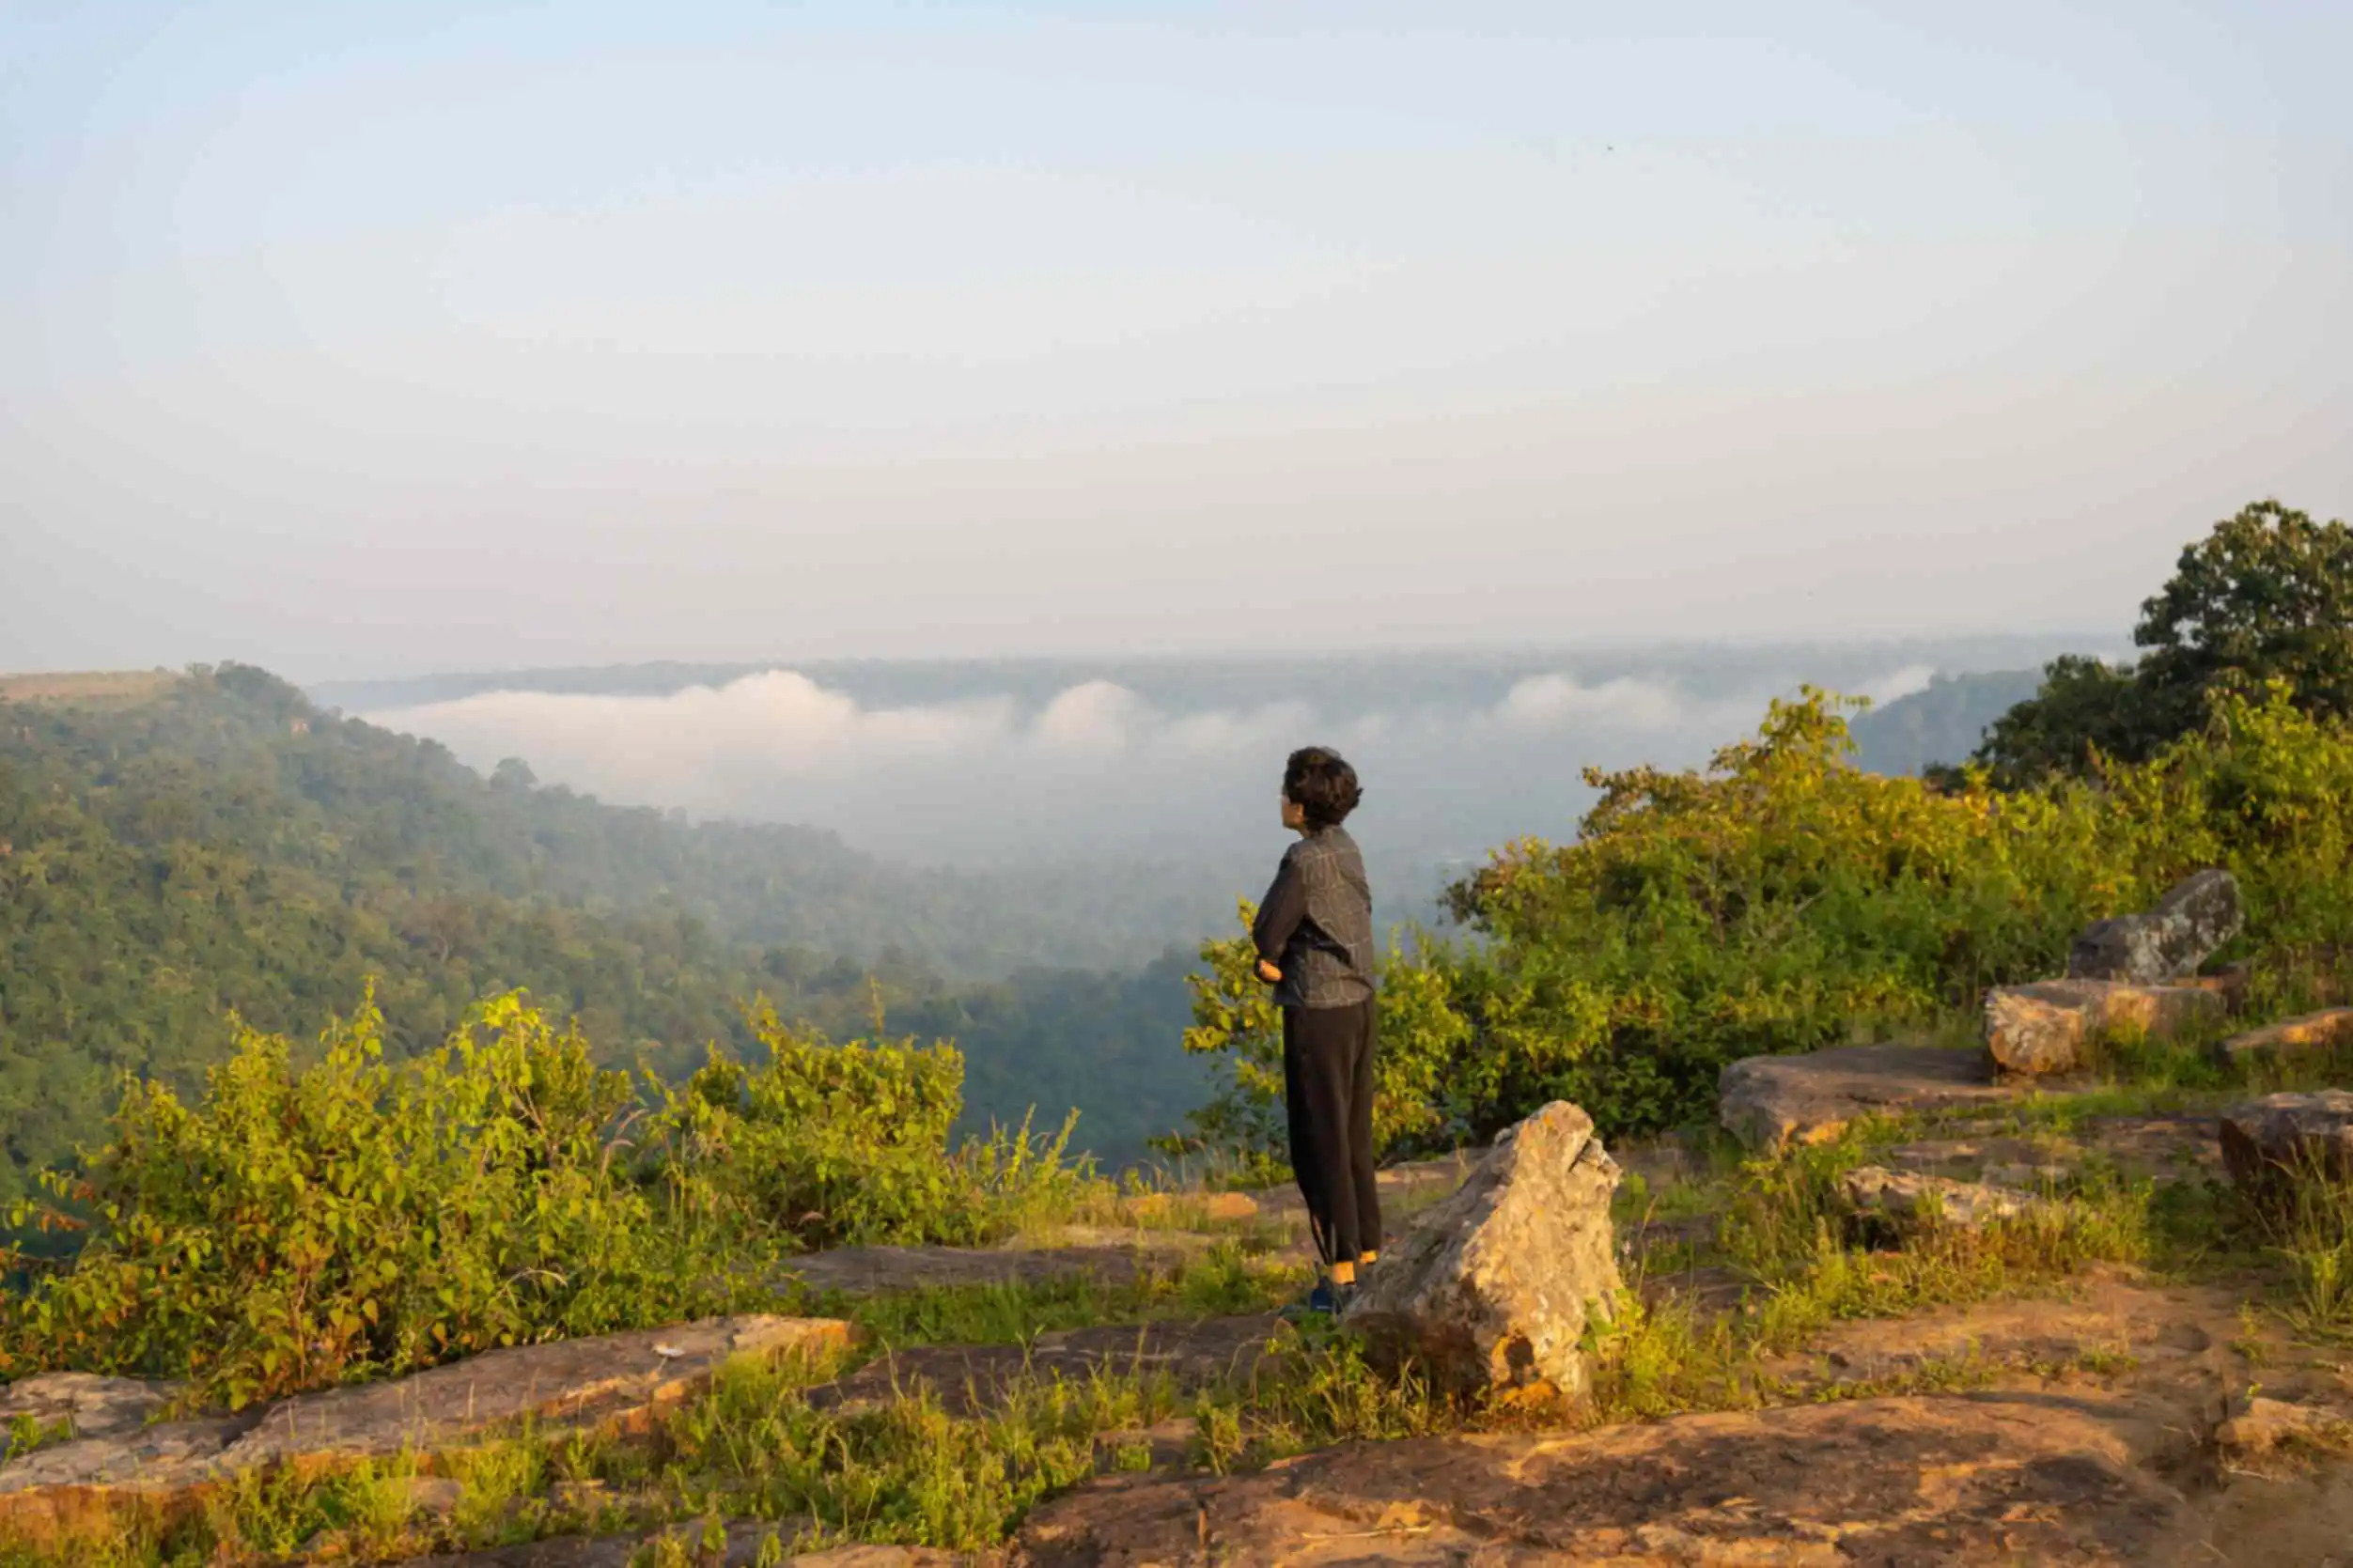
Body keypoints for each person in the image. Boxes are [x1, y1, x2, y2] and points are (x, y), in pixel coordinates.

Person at [1252, 745, 1379, 1314]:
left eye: (1286, 792)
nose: (1281, 800)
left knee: (1318, 1140)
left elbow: (1268, 929)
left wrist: (1269, 959)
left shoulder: (1302, 860)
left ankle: (1340, 1277)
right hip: (1357, 1003)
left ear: (1301, 807)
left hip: (1317, 1011)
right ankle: (1369, 1259)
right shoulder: (1347, 850)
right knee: (1352, 1136)